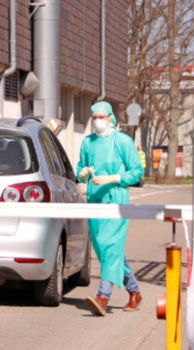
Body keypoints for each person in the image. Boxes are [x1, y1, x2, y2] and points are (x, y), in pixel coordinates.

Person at [77, 101, 145, 316]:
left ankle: (103, 297)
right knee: (106, 250)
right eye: (94, 117)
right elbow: (80, 167)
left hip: (116, 200)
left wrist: (114, 178)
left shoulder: (122, 141)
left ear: (110, 118)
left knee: (111, 246)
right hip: (94, 201)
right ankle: (134, 291)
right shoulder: (87, 142)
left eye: (101, 117)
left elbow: (137, 171)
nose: (98, 121)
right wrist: (84, 172)